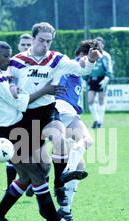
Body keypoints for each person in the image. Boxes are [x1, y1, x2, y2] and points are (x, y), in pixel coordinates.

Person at [0, 41, 79, 221]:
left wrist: (13, 84)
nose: (10, 59)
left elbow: (11, 87)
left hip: (12, 129)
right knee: (36, 174)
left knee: (29, 174)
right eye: (7, 56)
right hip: (6, 133)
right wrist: (45, 90)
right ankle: (54, 220)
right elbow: (21, 103)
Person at [8, 22, 102, 207]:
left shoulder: (57, 59)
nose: (45, 44)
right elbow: (9, 79)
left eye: (48, 41)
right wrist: (11, 86)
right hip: (25, 115)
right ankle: (0, 213)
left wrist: (90, 60)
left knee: (59, 140)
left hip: (49, 111)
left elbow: (81, 70)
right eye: (41, 40)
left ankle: (59, 186)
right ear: (33, 39)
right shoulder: (17, 61)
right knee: (37, 170)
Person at [53, 39, 100, 221]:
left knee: (80, 164)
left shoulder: (71, 70)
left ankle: (65, 209)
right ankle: (66, 172)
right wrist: (87, 59)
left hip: (63, 112)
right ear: (83, 54)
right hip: (64, 109)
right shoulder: (75, 65)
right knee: (87, 140)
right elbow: (82, 63)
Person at [5, 33, 36, 197]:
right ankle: (9, 185)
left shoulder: (39, 62)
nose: (25, 47)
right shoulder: (13, 62)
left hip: (34, 112)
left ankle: (32, 181)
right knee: (11, 150)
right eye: (23, 44)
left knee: (33, 149)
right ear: (18, 46)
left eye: (28, 44)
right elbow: (8, 80)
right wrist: (11, 86)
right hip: (15, 112)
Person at [86, 36, 113, 129]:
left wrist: (107, 77)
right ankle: (96, 120)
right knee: (90, 100)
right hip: (92, 78)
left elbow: (109, 68)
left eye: (99, 44)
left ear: (103, 45)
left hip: (102, 78)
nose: (97, 45)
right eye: (95, 44)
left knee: (101, 99)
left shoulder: (105, 56)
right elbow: (86, 66)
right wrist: (84, 78)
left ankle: (100, 121)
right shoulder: (90, 54)